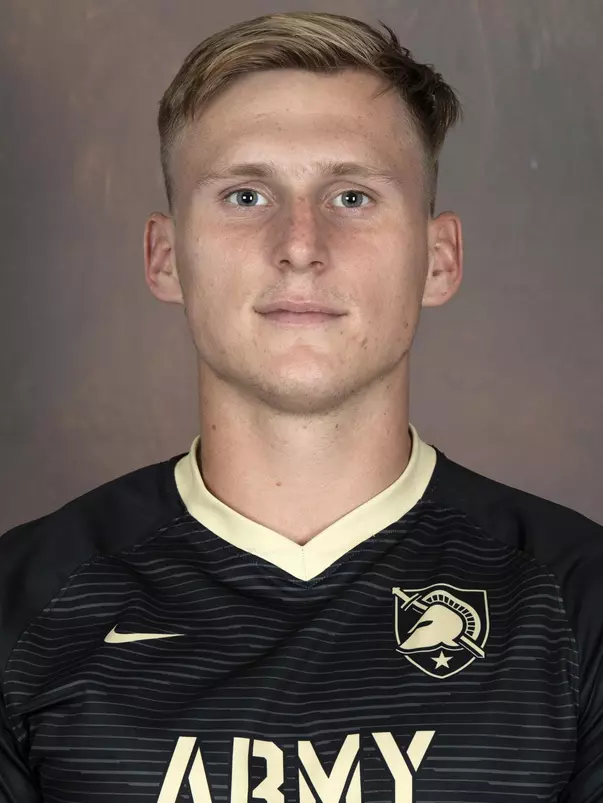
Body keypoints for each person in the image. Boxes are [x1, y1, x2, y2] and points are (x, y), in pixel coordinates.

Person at [0, 10, 601, 802]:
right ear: (164, 255)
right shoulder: (24, 604)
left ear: (439, 258)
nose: (299, 243)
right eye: (245, 194)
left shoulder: (576, 600)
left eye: (351, 195)